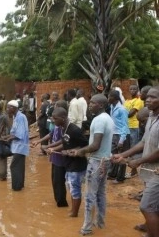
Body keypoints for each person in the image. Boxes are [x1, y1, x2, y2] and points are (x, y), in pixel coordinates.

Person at [112, 86, 159, 237]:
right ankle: (150, 230)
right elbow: (143, 143)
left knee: (146, 207)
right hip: (149, 170)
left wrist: (138, 162)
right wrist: (123, 155)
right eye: (148, 97)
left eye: (154, 97)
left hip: (157, 172)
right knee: (154, 206)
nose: (148, 100)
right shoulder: (152, 116)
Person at [67, 94, 114, 236]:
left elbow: (95, 145)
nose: (90, 104)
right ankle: (100, 222)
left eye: (92, 103)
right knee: (101, 193)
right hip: (105, 161)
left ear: (100, 105)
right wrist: (80, 150)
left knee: (89, 196)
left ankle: (86, 228)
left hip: (96, 163)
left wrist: (79, 152)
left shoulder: (99, 120)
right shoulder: (108, 118)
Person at [46, 107, 88, 217]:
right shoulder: (63, 128)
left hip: (77, 165)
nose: (53, 121)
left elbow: (87, 146)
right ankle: (74, 211)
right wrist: (53, 149)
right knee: (71, 188)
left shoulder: (74, 130)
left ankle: (74, 214)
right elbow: (65, 143)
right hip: (68, 164)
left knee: (75, 189)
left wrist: (71, 151)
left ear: (63, 118)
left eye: (55, 119)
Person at [2, 100, 29, 191]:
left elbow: (20, 134)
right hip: (19, 146)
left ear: (13, 108)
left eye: (8, 107)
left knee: (13, 166)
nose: (7, 109)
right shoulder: (16, 116)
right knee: (20, 165)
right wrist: (7, 136)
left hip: (20, 146)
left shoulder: (20, 117)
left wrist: (10, 138)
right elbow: (15, 132)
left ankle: (16, 188)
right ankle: (20, 185)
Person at [106, 89, 130, 184]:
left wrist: (121, 140)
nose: (108, 98)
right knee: (114, 155)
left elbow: (125, 125)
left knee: (122, 156)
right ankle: (113, 173)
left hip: (122, 135)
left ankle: (120, 177)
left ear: (114, 98)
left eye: (109, 97)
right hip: (114, 134)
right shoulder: (112, 107)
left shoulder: (122, 109)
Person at [124, 85, 144, 178]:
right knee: (129, 148)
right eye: (131, 89)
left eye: (134, 89)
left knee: (134, 148)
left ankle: (133, 170)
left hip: (135, 126)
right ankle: (133, 169)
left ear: (137, 90)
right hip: (128, 127)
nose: (132, 90)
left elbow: (130, 114)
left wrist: (124, 114)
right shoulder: (127, 101)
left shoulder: (139, 101)